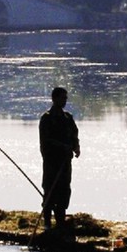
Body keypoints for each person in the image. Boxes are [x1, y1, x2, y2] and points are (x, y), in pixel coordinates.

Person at [39, 87, 81, 229]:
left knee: (64, 189)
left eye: (65, 98)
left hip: (65, 162)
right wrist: (63, 146)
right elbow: (46, 140)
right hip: (52, 162)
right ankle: (47, 222)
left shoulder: (68, 117)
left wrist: (76, 147)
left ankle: (60, 220)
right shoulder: (46, 118)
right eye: (62, 98)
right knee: (50, 189)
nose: (64, 101)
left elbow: (75, 134)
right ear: (54, 99)